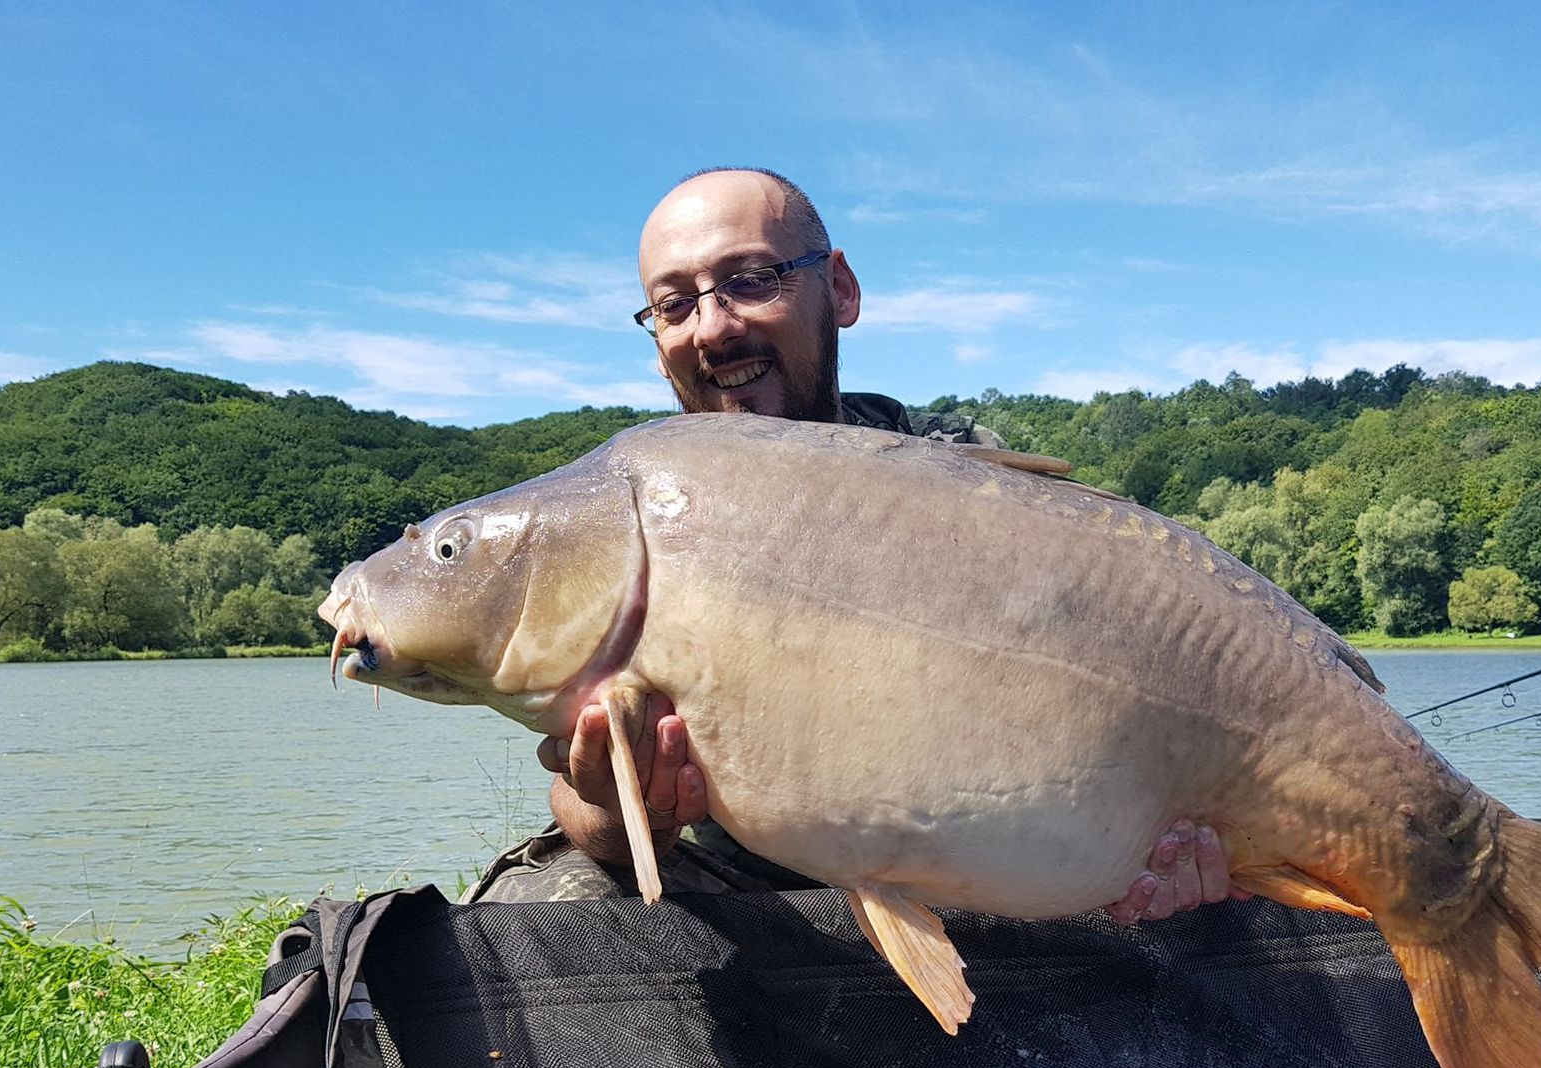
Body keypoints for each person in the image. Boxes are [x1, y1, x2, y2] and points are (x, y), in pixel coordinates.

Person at [465, 168, 1238, 924]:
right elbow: (592, 813)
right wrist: (619, 797)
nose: (715, 325)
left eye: (753, 279)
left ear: (839, 290)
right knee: (546, 900)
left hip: (988, 872)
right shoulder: (634, 526)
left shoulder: (968, 489)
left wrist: (1157, 846)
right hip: (755, 892)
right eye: (675, 304)